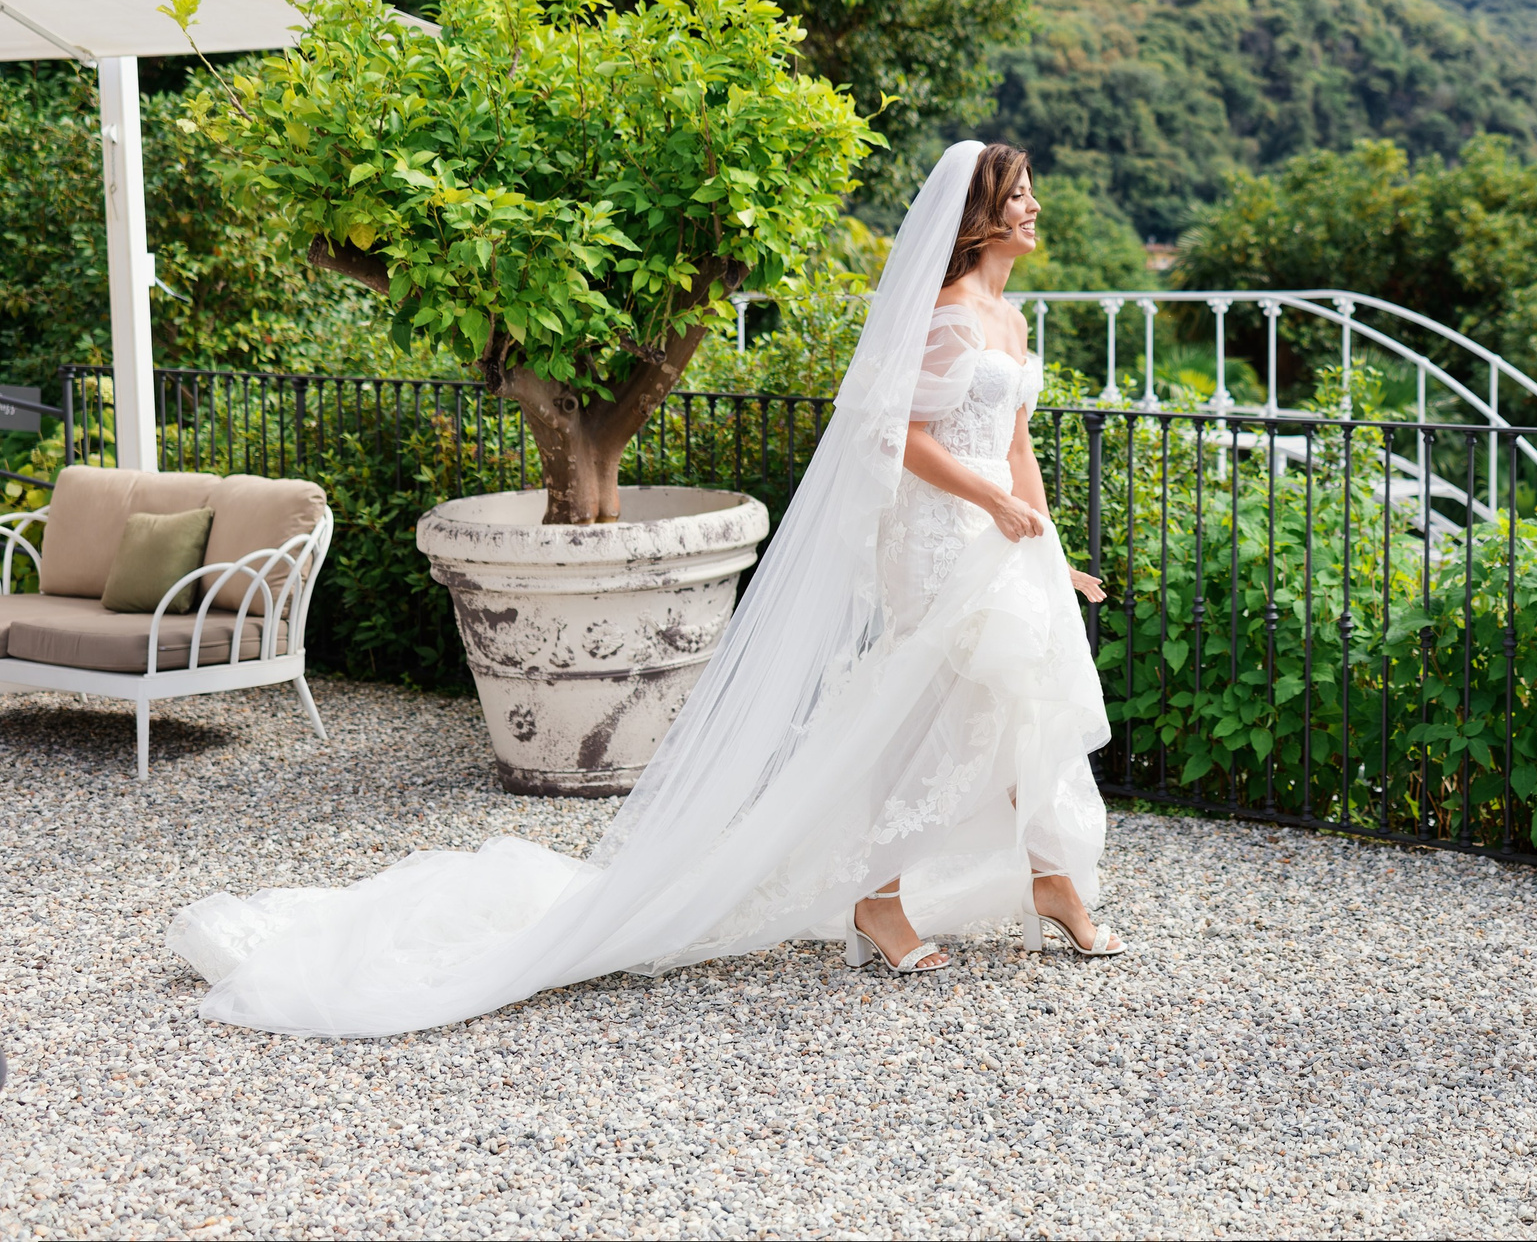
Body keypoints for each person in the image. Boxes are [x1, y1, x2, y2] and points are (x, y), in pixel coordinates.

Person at [169, 141, 1123, 1038]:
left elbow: (1015, 442)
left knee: (1022, 694)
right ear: (979, 219)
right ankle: (885, 895)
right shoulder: (949, 313)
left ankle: (1049, 880)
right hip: (939, 537)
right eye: (1018, 195)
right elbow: (898, 440)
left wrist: (1044, 545)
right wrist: (994, 507)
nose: (1034, 206)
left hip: (995, 535)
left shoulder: (1009, 317)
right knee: (939, 715)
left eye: (1028, 192)